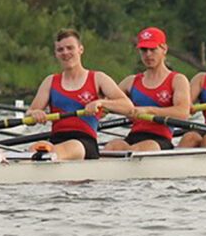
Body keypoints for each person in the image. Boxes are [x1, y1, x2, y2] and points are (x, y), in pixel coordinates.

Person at [27, 28, 134, 160]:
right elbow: (29, 114)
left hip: (85, 143)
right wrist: (34, 113)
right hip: (56, 141)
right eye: (60, 50)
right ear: (56, 54)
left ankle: (45, 160)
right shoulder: (50, 81)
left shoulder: (98, 79)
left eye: (70, 48)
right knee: (34, 148)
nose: (65, 53)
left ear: (80, 49)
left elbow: (128, 107)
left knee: (72, 146)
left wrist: (101, 103)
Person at [103, 26, 191, 152]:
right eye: (144, 50)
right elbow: (107, 104)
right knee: (112, 146)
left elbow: (183, 113)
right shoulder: (130, 81)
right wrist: (101, 105)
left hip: (160, 139)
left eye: (153, 49)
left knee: (140, 149)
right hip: (133, 136)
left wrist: (148, 110)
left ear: (164, 49)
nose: (148, 54)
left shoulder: (177, 80)